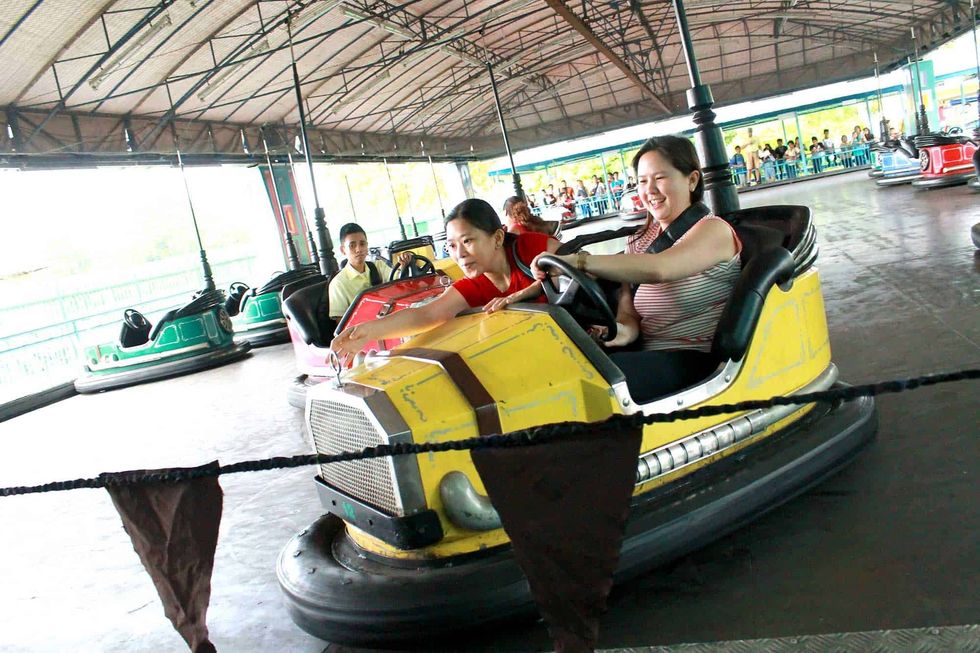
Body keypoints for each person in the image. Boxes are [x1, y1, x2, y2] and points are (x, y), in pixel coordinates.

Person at [531, 135, 742, 402]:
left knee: (586, 385)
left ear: (692, 180)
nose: (649, 190)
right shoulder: (641, 240)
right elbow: (630, 312)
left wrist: (578, 261)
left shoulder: (714, 231)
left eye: (660, 178)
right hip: (650, 353)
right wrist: (620, 333)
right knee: (556, 366)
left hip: (697, 360)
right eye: (642, 181)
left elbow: (660, 268)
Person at [331, 199, 561, 362]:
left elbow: (576, 264)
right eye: (451, 245)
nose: (459, 254)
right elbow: (426, 314)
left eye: (467, 241)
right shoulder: (474, 284)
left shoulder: (530, 248)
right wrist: (365, 332)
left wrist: (523, 293)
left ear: (498, 237)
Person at [328, 223, 411, 319]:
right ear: (343, 250)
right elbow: (341, 323)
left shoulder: (379, 266)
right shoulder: (338, 284)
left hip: (390, 319)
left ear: (367, 246)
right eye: (352, 245)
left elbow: (401, 281)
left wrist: (405, 264)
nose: (358, 249)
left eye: (362, 244)